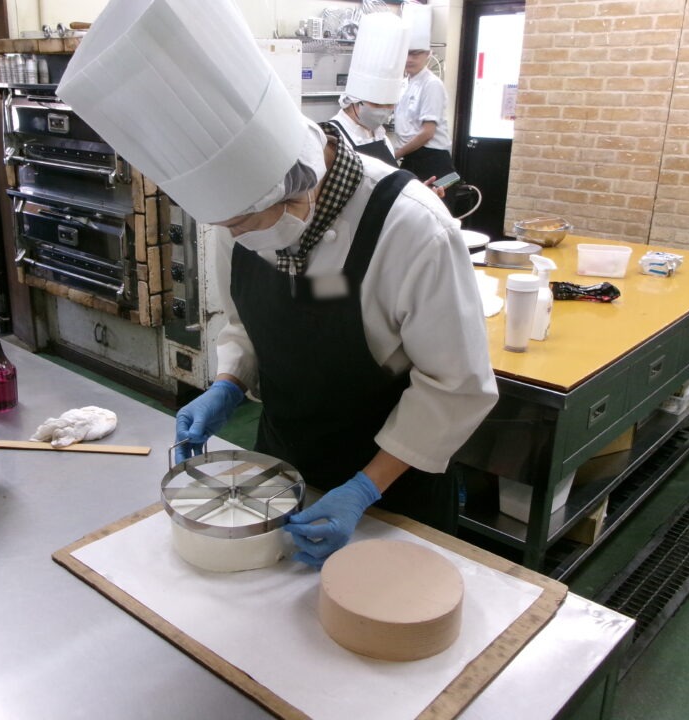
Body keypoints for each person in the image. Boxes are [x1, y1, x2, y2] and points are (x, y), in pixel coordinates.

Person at [59, 0, 497, 569]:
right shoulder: (235, 213)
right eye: (226, 224)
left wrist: (363, 489)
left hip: (394, 491)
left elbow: (455, 386)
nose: (236, 235)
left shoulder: (412, 229)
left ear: (296, 186)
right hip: (279, 475)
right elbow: (250, 322)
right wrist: (228, 382)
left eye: (244, 222)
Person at [326, 13, 409, 167]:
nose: (383, 111)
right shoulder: (332, 138)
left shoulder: (381, 137)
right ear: (355, 100)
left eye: (390, 105)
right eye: (377, 104)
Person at [393, 22, 460, 211]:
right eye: (406, 53)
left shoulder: (431, 84)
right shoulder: (405, 83)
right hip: (412, 158)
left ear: (428, 54)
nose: (409, 59)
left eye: (415, 54)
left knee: (433, 216)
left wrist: (395, 154)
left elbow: (427, 133)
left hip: (433, 161)